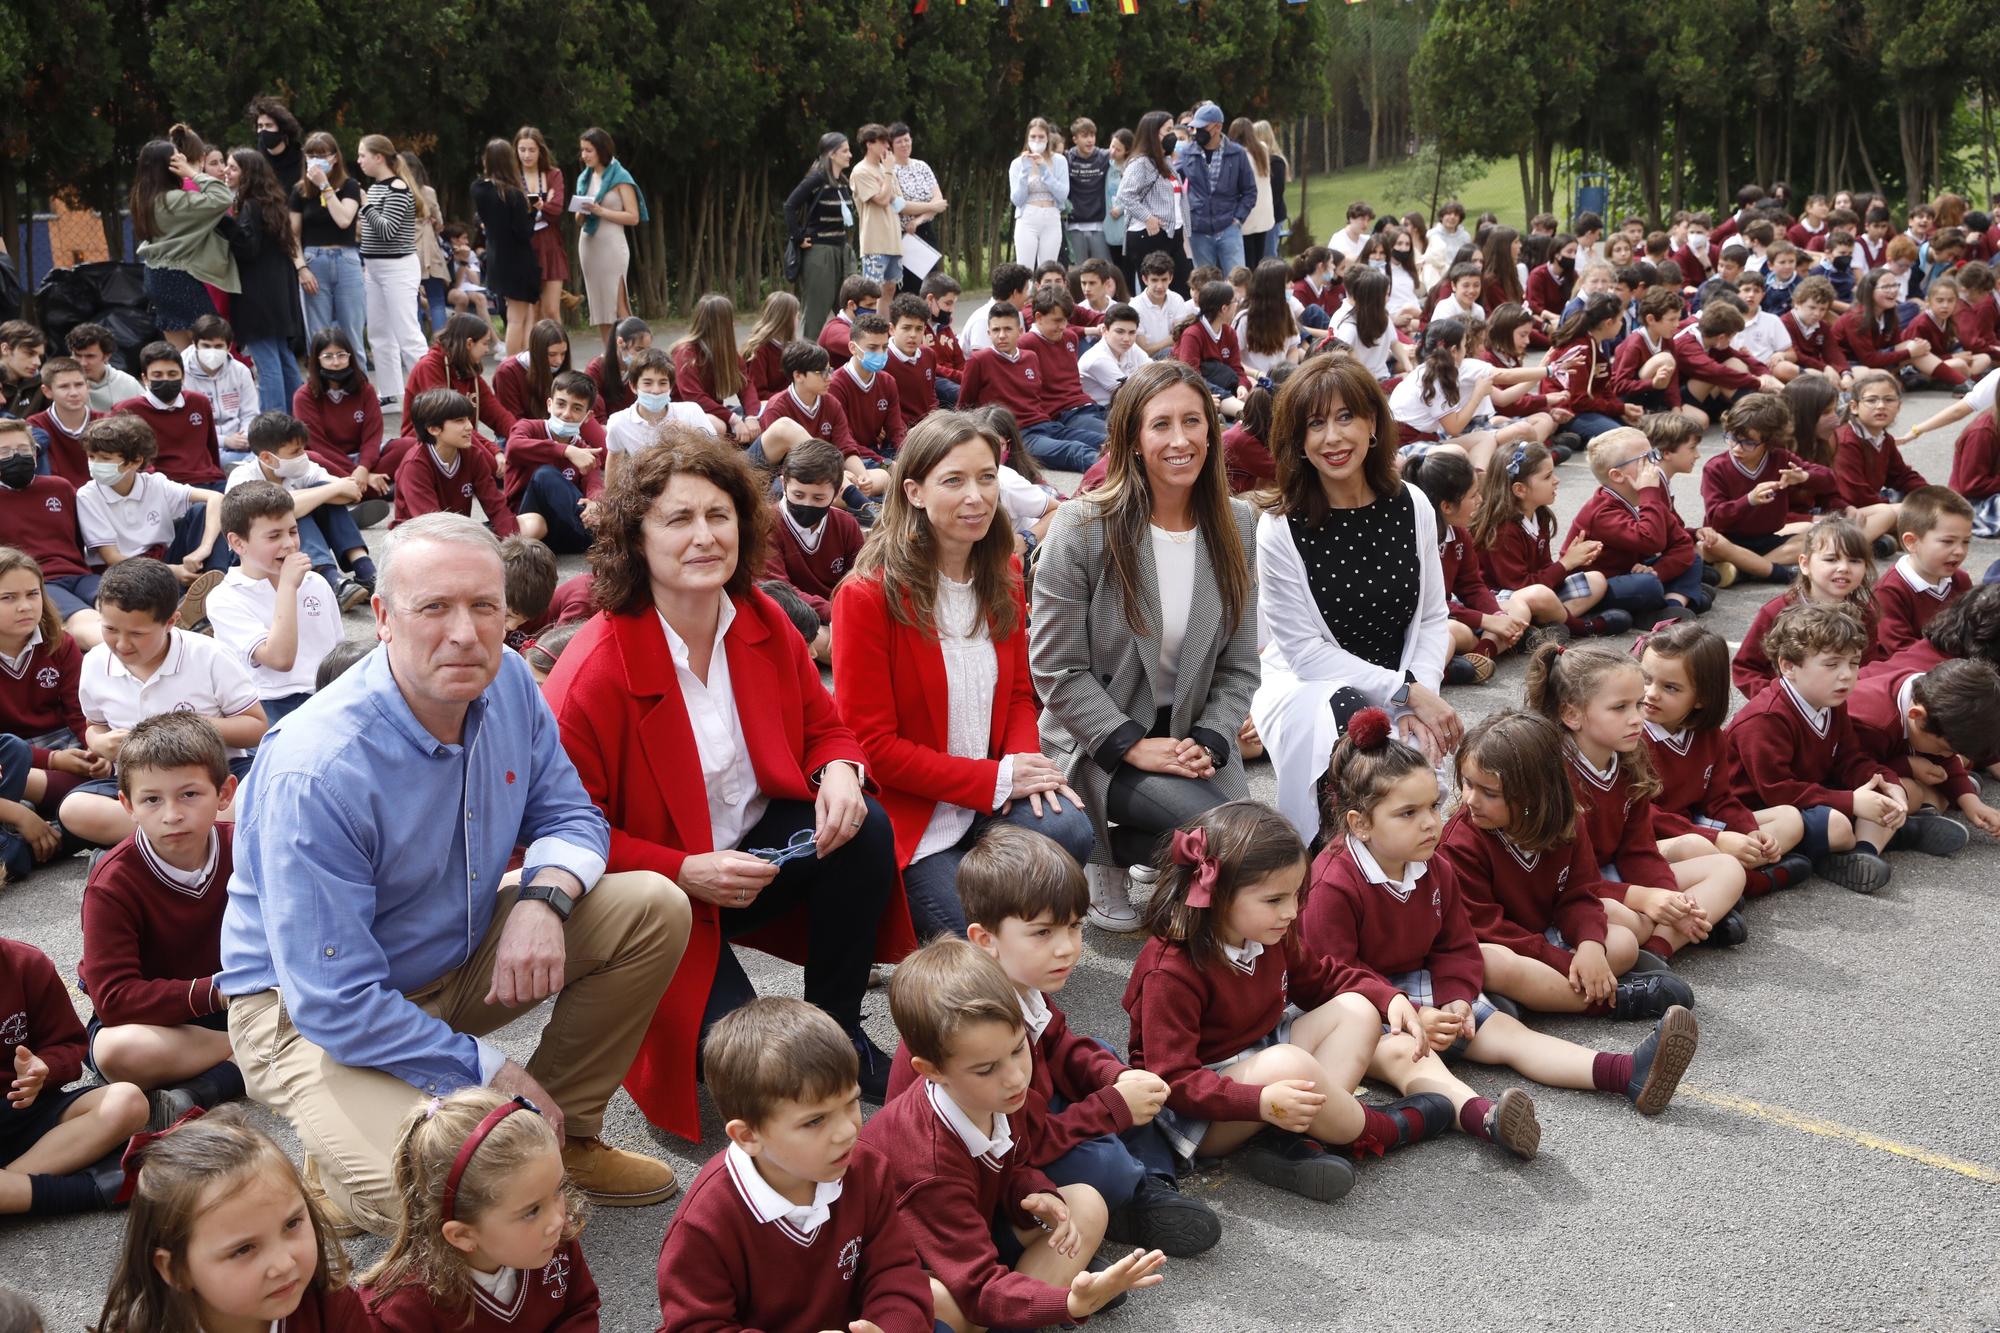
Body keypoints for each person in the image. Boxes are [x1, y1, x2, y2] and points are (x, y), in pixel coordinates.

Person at [218, 512, 691, 1233]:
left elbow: (572, 816)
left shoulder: (508, 688)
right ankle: (337, 1177)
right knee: (437, 1198)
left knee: (653, 906)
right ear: (381, 616)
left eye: (484, 606)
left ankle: (562, 1137)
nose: (465, 633)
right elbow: (336, 1002)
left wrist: (542, 902)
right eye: (434, 607)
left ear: (510, 611)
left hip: (451, 951)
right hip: (308, 1014)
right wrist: (491, 1072)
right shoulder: (319, 768)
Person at [540, 433, 910, 1136]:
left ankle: (839, 1027)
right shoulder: (593, 671)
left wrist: (838, 770)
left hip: (749, 864)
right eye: (679, 519)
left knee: (865, 825)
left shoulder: (763, 620)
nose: (706, 536)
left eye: (720, 514)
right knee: (769, 1073)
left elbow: (825, 726)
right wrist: (683, 869)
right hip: (661, 895)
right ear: (635, 538)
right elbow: (565, 833)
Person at [1299, 711, 1701, 1159]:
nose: (1432, 822)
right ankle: (1485, 1118)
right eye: (1408, 813)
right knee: (1411, 1058)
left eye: (1433, 805)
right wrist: (1411, 1013)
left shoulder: (1433, 865)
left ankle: (1624, 1072)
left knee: (1511, 1035)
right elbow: (1331, 977)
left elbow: (1455, 945)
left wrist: (1454, 996)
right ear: (1359, 824)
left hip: (1418, 987)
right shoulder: (1332, 883)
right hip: (1358, 1013)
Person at [884, 826, 1221, 1253]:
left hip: (1027, 1114)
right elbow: (1024, 1141)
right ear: (985, 940)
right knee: (1106, 1162)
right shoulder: (976, 1025)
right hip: (988, 1159)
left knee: (1106, 1059)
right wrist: (1112, 1108)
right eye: (1043, 933)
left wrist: (1114, 1078)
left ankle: (1150, 1186)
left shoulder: (1022, 983)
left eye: (1074, 926)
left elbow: (1060, 1044)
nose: (1066, 948)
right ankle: (1101, 1212)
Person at [832, 413, 1096, 941]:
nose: (976, 496)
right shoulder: (866, 595)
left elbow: (1021, 693)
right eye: (954, 480)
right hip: (919, 816)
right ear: (914, 492)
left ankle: (1019, 930)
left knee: (1067, 827)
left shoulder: (1004, 572)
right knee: (984, 957)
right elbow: (873, 746)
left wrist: (1023, 762)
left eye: (986, 477)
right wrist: (996, 779)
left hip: (989, 798)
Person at [1029, 360, 1259, 931]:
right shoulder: (1084, 525)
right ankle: (1098, 855)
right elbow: (1056, 669)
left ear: (1212, 428)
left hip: (1188, 737)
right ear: (1132, 438)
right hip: (1098, 737)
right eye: (1161, 425)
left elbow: (1239, 664)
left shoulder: (1238, 523)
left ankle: (1137, 851)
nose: (1180, 440)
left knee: (1254, 841)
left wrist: (1209, 737)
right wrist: (1130, 744)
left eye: (1192, 421)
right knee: (1228, 843)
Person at [1123, 800, 1448, 1200]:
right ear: (1219, 894)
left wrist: (1388, 998)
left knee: (1357, 1010)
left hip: (1260, 1063)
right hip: (1201, 1115)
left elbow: (1321, 980)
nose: (1292, 912)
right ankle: (1373, 1130)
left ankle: (1295, 1139)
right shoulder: (1170, 970)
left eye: (1296, 895)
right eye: (1274, 900)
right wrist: (1259, 1100)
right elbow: (1174, 1081)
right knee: (1288, 1064)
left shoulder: (1269, 934)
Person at [860, 938, 1166, 1331]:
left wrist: (1035, 1193)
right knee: (945, 1303)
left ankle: (1028, 1305)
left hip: (972, 1236)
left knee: (1084, 1204)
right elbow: (975, 1285)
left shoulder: (998, 1094)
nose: (1015, 1077)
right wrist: (1068, 1304)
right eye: (986, 1068)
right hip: (926, 1267)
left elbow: (1016, 1162)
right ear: (931, 1071)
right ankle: (1038, 1302)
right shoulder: (929, 1164)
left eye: (1018, 1049)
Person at [1251, 358, 1457, 840]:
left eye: (1346, 417)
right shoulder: (1280, 528)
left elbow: (1431, 619)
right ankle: (1332, 858)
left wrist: (1417, 699)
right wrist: (1404, 692)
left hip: (1402, 680)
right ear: (1297, 441)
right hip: (1313, 687)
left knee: (1410, 796)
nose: (1332, 438)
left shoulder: (1413, 504)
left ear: (1373, 423)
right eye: (1315, 423)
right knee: (1355, 720)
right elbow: (1304, 653)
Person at [654, 997, 933, 1332]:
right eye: (815, 1121)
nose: (846, 1131)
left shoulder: (866, 1167)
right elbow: (697, 1326)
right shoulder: (705, 1225)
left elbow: (897, 1271)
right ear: (748, 1136)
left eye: (851, 1102)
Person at [1437, 711, 1696, 1019]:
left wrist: (1588, 945)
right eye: (1467, 784)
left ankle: (1540, 996)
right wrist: (1564, 961)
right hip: (1504, 944)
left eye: (1489, 793)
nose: (1470, 800)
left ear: (1535, 793)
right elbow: (1487, 928)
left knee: (1623, 942)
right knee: (1494, 964)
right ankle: (1612, 1000)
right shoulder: (1460, 843)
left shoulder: (1566, 823)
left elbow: (1579, 893)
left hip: (1546, 931)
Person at [1527, 644, 1750, 958]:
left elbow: (1639, 850)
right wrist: (1645, 898)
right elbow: (1561, 883)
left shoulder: (1627, 758)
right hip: (1569, 892)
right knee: (1629, 921)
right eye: (1620, 708)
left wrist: (1667, 897)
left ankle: (1659, 950)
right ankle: (1687, 925)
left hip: (1610, 875)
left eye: (1638, 705)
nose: (1637, 719)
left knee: (1728, 868)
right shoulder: (1552, 776)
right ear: (1572, 714)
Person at [76, 712, 244, 1115]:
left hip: (244, 1006)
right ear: (127, 804)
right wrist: (219, 992)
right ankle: (251, 1056)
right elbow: (115, 998)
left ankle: (208, 1085)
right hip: (159, 1021)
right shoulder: (113, 882)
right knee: (118, 1052)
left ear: (224, 793)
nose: (172, 814)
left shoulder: (247, 848)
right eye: (152, 799)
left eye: (189, 794)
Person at [92, 1110, 367, 1330]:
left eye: (292, 1224)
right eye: (244, 1249)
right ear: (176, 1269)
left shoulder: (332, 1309)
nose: (284, 1264)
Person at [358, 1088, 601, 1327]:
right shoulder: (399, 1312)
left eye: (557, 1189)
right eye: (532, 1211)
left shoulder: (555, 1241)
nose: (559, 1219)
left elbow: (580, 1307)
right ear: (463, 1235)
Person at [1723, 603, 1911, 894]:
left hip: (1809, 797)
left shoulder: (1829, 700)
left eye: (1854, 662)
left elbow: (1851, 758)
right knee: (1837, 822)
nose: (1847, 675)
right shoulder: (1766, 718)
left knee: (1889, 791)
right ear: (1788, 666)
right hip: (1763, 813)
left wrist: (1886, 783)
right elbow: (1777, 790)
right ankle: (1886, 836)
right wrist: (1851, 802)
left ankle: (1862, 853)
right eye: (1832, 664)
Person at [1636, 621, 1812, 895]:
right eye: (1645, 679)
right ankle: (1755, 882)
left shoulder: (1710, 736)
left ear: (1702, 698)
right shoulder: (1628, 737)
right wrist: (1716, 838)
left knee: (1790, 819)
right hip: (1648, 837)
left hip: (1691, 825)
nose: (1651, 693)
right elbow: (1640, 814)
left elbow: (1720, 799)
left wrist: (1749, 831)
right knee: (1699, 846)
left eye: (1670, 687)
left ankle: (1725, 883)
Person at [0, 934, 149, 1217]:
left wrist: (43, 1068)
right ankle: (82, 1191)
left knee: (127, 1101)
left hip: (25, 1109)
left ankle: (10, 1186)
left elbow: (69, 1045)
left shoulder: (26, 963)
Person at [205, 481, 346, 724]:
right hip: (269, 702)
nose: (289, 543)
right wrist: (288, 586)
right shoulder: (225, 598)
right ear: (238, 543)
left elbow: (337, 652)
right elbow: (280, 659)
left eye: (293, 531)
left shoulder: (315, 583)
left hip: (326, 694)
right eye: (274, 536)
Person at [227, 411, 375, 603]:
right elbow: (273, 513)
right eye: (295, 452)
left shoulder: (301, 469)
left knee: (315, 496)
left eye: (303, 449)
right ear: (267, 457)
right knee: (289, 512)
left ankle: (364, 569)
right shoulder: (242, 477)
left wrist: (324, 492)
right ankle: (329, 578)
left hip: (287, 549)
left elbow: (351, 492)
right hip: (252, 557)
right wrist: (331, 489)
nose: (303, 456)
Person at [1561, 428, 1705, 624]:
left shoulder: (1646, 498)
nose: (1654, 463)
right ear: (1617, 475)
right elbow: (1650, 542)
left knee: (1693, 558)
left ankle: (1673, 605)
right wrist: (1649, 493)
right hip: (1595, 589)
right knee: (1648, 585)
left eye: (1653, 454)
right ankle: (1675, 599)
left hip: (1630, 573)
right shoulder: (1602, 511)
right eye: (1645, 459)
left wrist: (1658, 571)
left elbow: (1682, 544)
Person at [1850, 656, 2000, 843]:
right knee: (1910, 791)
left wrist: (1970, 801)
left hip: (1885, 764)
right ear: (1917, 716)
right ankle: (1896, 834)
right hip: (1840, 786)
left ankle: (1920, 817)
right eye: (1945, 748)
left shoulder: (1931, 698)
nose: (1949, 756)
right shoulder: (1874, 725)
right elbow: (1851, 769)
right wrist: (1907, 765)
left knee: (1940, 775)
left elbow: (1945, 757)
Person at [75, 414, 225, 582]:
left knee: (202, 511)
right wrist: (172, 572)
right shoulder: (87, 496)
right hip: (124, 572)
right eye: (91, 457)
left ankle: (215, 581)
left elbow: (216, 498)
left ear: (135, 461)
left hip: (165, 558)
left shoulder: (155, 483)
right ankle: (188, 594)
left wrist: (204, 548)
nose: (95, 464)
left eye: (105, 458)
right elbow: (112, 558)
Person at [218, 148, 306, 414]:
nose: (226, 172)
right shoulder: (272, 203)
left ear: (248, 174)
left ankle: (275, 422)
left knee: (267, 362)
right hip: (278, 292)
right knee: (283, 357)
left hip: (257, 295)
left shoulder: (249, 205)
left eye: (233, 168)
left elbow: (248, 247)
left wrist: (223, 223)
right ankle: (298, 416)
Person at [130, 139, 238, 350]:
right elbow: (222, 197)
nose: (181, 160)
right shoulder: (173, 200)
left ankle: (185, 385)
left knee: (184, 355)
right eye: (176, 158)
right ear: (167, 166)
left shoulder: (142, 197)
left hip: (156, 277)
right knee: (212, 343)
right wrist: (192, 171)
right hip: (179, 279)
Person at [354, 134, 430, 398]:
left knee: (407, 333)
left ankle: (431, 391)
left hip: (397, 267)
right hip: (374, 268)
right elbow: (372, 230)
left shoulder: (398, 188)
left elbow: (387, 230)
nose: (359, 160)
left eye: (363, 155)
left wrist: (364, 206)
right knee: (378, 334)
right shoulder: (375, 188)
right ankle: (391, 393)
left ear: (378, 157)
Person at [501, 370, 604, 554]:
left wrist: (595, 502)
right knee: (545, 474)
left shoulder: (583, 449)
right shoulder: (528, 427)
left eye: (577, 408)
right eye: (561, 404)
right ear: (549, 404)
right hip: (526, 523)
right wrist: (565, 451)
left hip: (564, 529)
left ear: (588, 416)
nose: (566, 413)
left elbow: (594, 483)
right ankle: (601, 538)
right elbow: (514, 448)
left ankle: (597, 535)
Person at [392, 389, 516, 535]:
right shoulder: (415, 465)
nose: (469, 426)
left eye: (468, 419)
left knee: (533, 523)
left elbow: (495, 506)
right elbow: (432, 524)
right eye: (460, 421)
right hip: (421, 539)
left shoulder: (473, 455)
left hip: (458, 533)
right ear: (434, 429)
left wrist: (514, 540)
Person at [291, 131, 367, 357]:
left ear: (334, 157)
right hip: (314, 260)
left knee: (352, 334)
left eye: (322, 155)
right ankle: (320, 388)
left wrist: (325, 186)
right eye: (311, 155)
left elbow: (344, 220)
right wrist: (301, 268)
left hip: (347, 259)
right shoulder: (300, 191)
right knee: (318, 336)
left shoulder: (350, 186)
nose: (316, 160)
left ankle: (360, 388)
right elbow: (292, 235)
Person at [1874, 485, 1973, 656]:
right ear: (1912, 542)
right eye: (1948, 541)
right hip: (1906, 673)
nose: (1960, 551)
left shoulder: (1961, 580)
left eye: (1966, 542)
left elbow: (1972, 630)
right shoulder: (1889, 590)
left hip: (1953, 666)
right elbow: (1900, 649)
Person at [575, 128, 646, 342]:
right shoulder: (585, 178)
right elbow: (579, 219)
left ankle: (635, 355)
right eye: (582, 150)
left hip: (612, 246)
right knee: (600, 308)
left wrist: (601, 211)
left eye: (589, 150)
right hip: (589, 245)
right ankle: (610, 356)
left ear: (601, 150)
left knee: (618, 305)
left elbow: (633, 217)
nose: (584, 155)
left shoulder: (620, 176)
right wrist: (581, 212)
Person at [473, 138, 542, 358]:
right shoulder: (513, 194)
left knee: (513, 317)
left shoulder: (478, 189)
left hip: (496, 258)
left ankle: (517, 361)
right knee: (517, 319)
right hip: (518, 260)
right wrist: (532, 212)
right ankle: (514, 365)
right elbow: (524, 232)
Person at [786, 132, 857, 340]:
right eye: (845, 150)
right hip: (820, 252)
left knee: (850, 309)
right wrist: (798, 237)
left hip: (842, 250)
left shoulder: (842, 182)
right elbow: (789, 206)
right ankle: (805, 360)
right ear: (831, 154)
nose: (850, 155)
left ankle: (848, 360)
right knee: (816, 312)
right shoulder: (816, 179)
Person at [672, 293, 762, 445]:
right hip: (683, 416)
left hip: (715, 412)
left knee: (766, 413)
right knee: (716, 426)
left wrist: (752, 417)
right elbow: (694, 398)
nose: (734, 324)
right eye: (730, 320)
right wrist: (734, 420)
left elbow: (745, 386)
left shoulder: (727, 352)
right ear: (723, 326)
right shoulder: (686, 353)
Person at [1176, 103, 1254, 275]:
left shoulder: (1237, 153)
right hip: (1198, 230)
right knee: (1205, 284)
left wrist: (1237, 219)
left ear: (1218, 127)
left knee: (1238, 281)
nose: (1197, 132)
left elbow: (1250, 191)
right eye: (1194, 128)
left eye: (1202, 127)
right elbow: (1172, 180)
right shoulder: (1187, 153)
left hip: (1229, 228)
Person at [1117, 113, 1188, 295]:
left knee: (1181, 290)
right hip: (1150, 235)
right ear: (1154, 133)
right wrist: (1148, 218)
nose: (1172, 135)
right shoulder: (1141, 163)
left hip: (1173, 234)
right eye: (1168, 130)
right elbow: (1125, 194)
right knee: (1157, 291)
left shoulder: (1165, 162)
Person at [178, 316, 257, 463]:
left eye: (218, 346)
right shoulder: (181, 374)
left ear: (228, 346)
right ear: (195, 344)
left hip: (240, 441)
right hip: (203, 443)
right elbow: (186, 425)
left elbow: (250, 413)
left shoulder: (240, 371)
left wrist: (246, 436)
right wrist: (224, 441)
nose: (212, 352)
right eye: (206, 346)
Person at [515, 126, 571, 326]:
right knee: (532, 310)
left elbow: (556, 209)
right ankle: (535, 355)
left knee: (551, 310)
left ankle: (562, 353)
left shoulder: (552, 174)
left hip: (549, 243)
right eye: (522, 150)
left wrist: (542, 205)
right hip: (523, 244)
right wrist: (543, 205)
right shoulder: (512, 176)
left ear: (540, 151)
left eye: (531, 150)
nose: (527, 155)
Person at [889, 123, 948, 296]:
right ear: (891, 145)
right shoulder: (889, 171)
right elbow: (902, 206)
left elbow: (939, 200)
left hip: (924, 230)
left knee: (933, 285)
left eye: (907, 140)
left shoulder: (922, 166)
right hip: (902, 235)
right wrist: (931, 207)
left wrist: (919, 219)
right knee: (910, 286)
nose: (904, 144)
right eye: (899, 141)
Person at [850, 123, 906, 289]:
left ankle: (885, 317)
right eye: (882, 142)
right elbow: (881, 200)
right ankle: (871, 317)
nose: (887, 146)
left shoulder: (886, 169)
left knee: (890, 290)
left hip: (894, 241)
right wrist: (887, 176)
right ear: (869, 144)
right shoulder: (861, 171)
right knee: (873, 291)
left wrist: (885, 180)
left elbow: (899, 203)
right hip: (875, 242)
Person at [1009, 118, 1068, 269]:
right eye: (1033, 137)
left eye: (1041, 137)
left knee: (1048, 269)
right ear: (1027, 139)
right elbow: (1017, 199)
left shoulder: (1059, 161)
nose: (1037, 140)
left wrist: (1043, 168)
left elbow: (1062, 194)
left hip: (1051, 217)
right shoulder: (1017, 164)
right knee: (1025, 270)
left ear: (1047, 138)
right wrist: (1025, 170)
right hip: (1027, 218)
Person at [493, 317, 571, 424]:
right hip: (520, 433)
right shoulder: (507, 371)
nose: (559, 361)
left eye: (563, 354)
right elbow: (513, 420)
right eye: (552, 354)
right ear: (536, 352)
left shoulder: (562, 368)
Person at [66, 324, 144, 413]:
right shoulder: (63, 384)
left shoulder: (128, 383)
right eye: (78, 355)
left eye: (90, 356)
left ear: (106, 357)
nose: (83, 363)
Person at [248, 95, 305, 191]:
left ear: (283, 129)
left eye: (269, 125)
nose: (264, 130)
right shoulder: (255, 163)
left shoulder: (302, 160)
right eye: (260, 126)